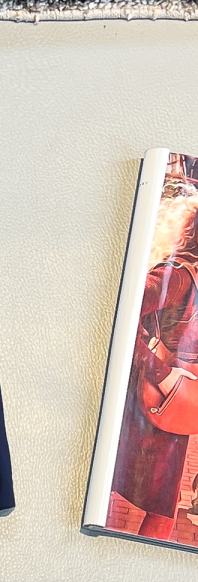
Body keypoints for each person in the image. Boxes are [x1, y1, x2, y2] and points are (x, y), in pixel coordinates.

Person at [113, 183, 198, 539]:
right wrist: (160, 371)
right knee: (158, 510)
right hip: (157, 402)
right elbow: (122, 314)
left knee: (163, 507)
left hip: (172, 405)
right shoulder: (177, 276)